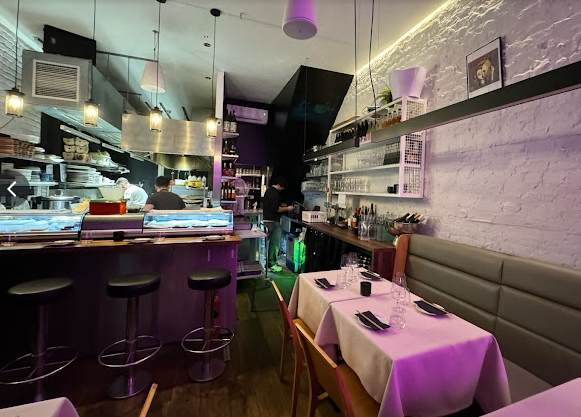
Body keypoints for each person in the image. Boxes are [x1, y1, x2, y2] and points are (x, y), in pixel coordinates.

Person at [263, 176, 294, 272]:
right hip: (273, 221)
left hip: (267, 220)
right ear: (280, 185)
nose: (283, 189)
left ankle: (267, 263)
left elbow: (272, 205)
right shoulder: (275, 193)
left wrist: (281, 206)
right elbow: (276, 209)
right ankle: (272, 264)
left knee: (267, 244)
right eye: (283, 187)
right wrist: (287, 208)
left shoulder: (268, 190)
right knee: (274, 244)